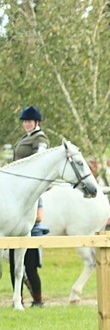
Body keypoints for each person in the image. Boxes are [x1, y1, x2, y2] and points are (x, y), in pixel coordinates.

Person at [10, 106, 51, 307]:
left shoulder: (40, 139)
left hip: (30, 190)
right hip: (15, 188)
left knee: (30, 262)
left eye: (29, 121)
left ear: (36, 122)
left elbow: (38, 161)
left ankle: (37, 299)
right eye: (24, 121)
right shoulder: (24, 138)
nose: (26, 124)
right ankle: (17, 297)